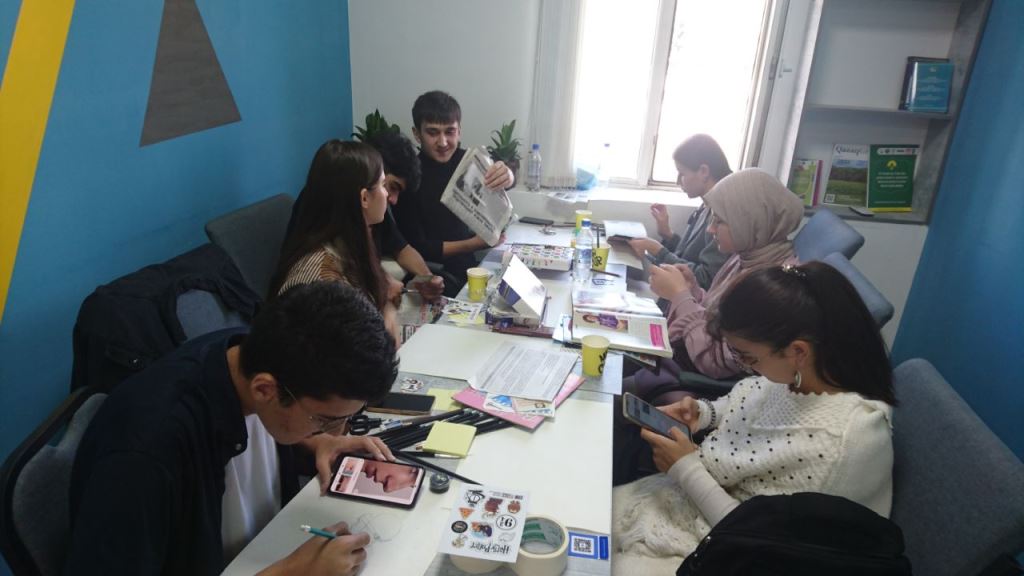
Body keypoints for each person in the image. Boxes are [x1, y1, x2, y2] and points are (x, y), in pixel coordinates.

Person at [65, 281, 400, 576]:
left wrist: (316, 442)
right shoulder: (144, 455)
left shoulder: (247, 353)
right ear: (265, 390)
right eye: (325, 420)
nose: (339, 432)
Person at [612, 262, 896, 574]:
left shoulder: (841, 443)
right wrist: (702, 414)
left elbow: (764, 543)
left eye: (747, 356)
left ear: (798, 352)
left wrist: (685, 468)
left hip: (737, 553)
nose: (746, 366)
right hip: (697, 503)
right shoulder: (798, 377)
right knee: (588, 511)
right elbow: (745, 403)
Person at [644, 168, 805, 380]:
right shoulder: (744, 258)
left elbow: (714, 361)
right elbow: (717, 314)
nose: (710, 230)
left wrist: (680, 296)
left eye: (719, 221)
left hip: (693, 376)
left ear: (750, 222)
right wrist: (692, 289)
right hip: (682, 359)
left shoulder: (772, 286)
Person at [269, 140, 401, 344]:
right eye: (383, 185)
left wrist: (387, 304)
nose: (388, 195)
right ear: (364, 198)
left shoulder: (346, 245)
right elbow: (358, 350)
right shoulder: (323, 280)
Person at [391, 90, 513, 294]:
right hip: (435, 275)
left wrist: (507, 175)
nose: (443, 142)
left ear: (459, 131)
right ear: (416, 134)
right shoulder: (408, 177)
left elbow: (503, 181)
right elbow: (417, 246)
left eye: (450, 132)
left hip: (472, 266)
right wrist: (475, 244)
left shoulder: (470, 162)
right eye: (432, 133)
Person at [628, 134, 732, 290]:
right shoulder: (705, 206)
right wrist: (668, 234)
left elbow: (705, 279)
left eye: (682, 174)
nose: (678, 181)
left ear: (703, 171)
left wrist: (658, 250)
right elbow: (688, 256)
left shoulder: (722, 215)